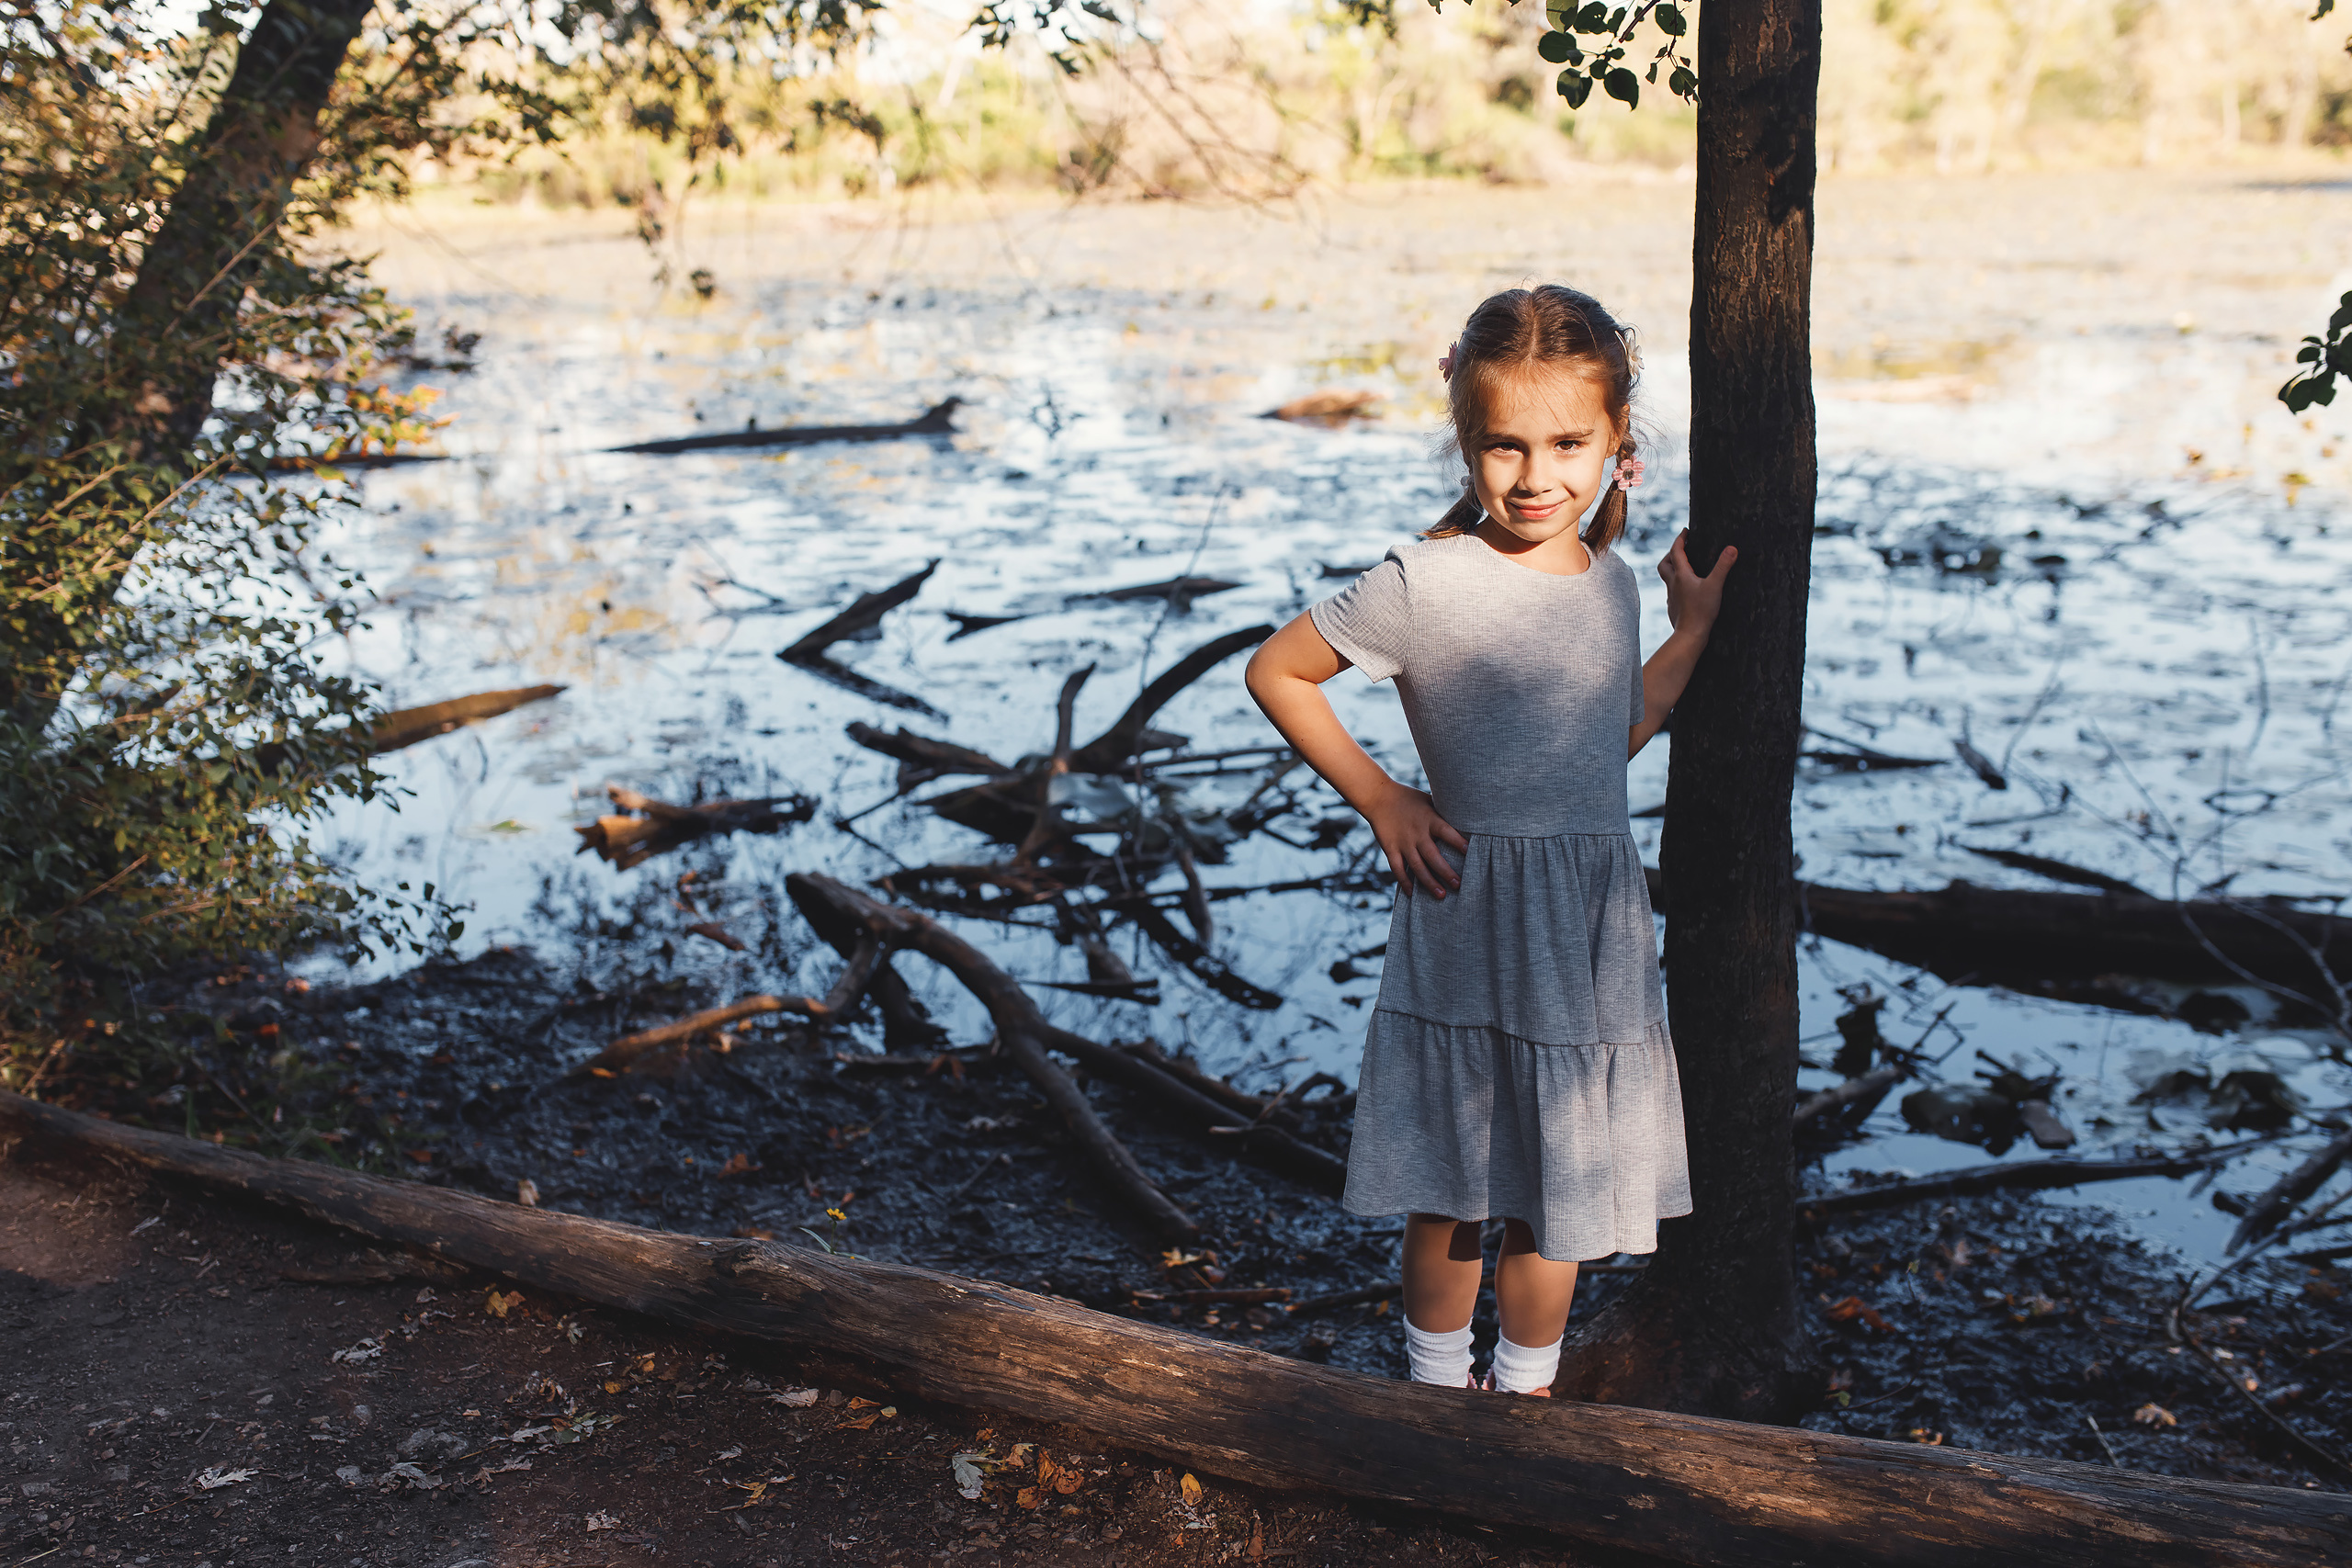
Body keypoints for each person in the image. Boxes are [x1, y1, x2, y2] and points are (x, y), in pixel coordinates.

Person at [1244, 284, 1736, 1394]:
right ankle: (1427, 1391)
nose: (1534, 476)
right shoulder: (1426, 583)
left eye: (1568, 443)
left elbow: (1613, 733)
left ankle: (1522, 1401)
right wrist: (1383, 798)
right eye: (1504, 446)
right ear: (1466, 442)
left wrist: (1690, 632)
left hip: (1590, 925)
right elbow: (1278, 671)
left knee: (1562, 1185)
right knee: (1454, 1182)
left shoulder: (1611, 587)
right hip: (1467, 900)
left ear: (1619, 445)